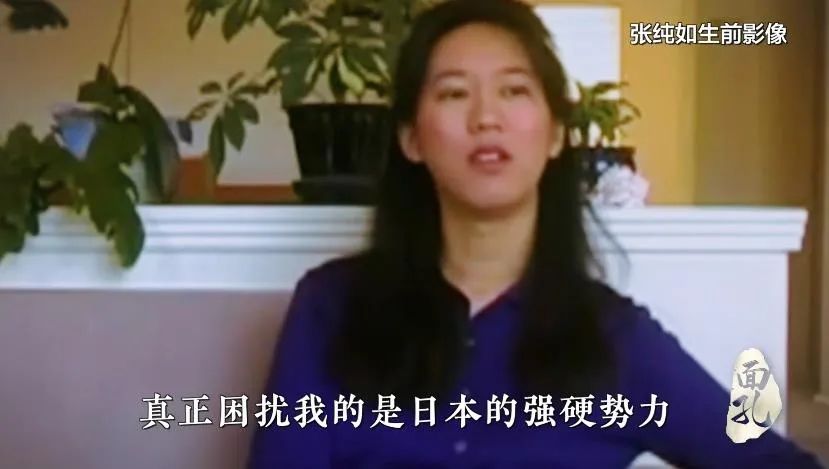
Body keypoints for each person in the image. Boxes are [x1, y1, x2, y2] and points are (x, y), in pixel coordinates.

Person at [247, 0, 824, 467]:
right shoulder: (331, 307)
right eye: (453, 93)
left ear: (555, 135)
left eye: (514, 90)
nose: (486, 117)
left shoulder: (612, 338)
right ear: (411, 140)